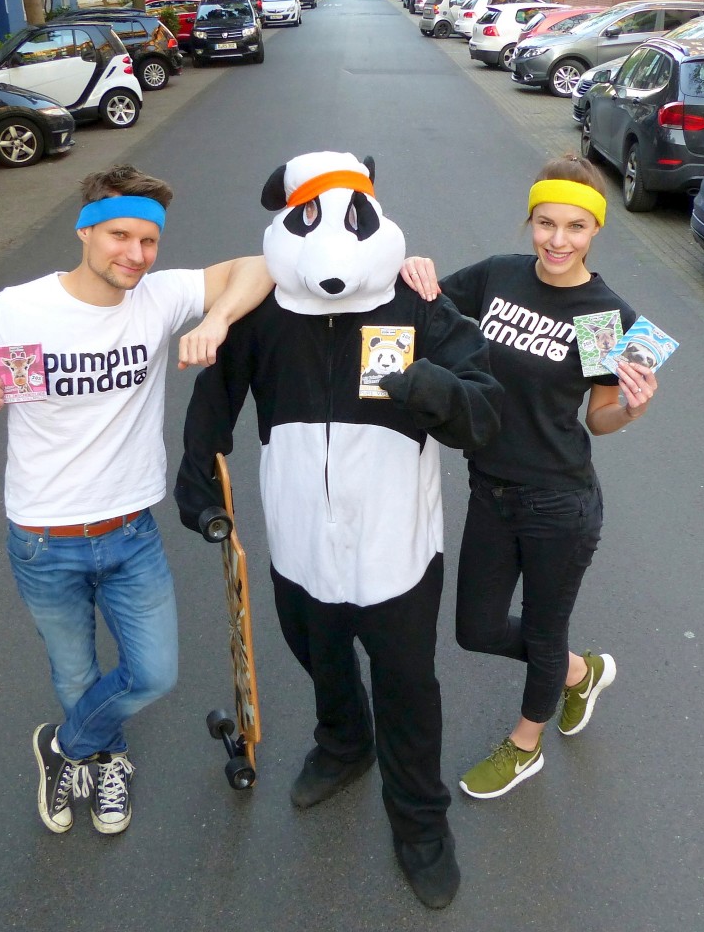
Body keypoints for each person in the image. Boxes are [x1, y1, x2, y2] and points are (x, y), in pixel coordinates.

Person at [175, 151, 502, 908]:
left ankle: (420, 824)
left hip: (397, 551)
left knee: (408, 690)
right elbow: (212, 403)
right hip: (300, 544)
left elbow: (484, 411)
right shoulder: (262, 316)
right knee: (318, 656)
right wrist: (199, 488)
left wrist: (429, 385)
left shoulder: (418, 306)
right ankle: (343, 744)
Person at [0, 164, 273, 837]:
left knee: (153, 674)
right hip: (43, 538)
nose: (135, 255)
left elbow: (259, 265)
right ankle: (105, 753)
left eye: (148, 241)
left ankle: (64, 746)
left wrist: (214, 318)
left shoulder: (156, 299)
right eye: (120, 236)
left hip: (130, 533)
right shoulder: (20, 310)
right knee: (75, 673)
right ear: (85, 232)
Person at [400, 153, 658, 800]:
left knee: (543, 631)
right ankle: (578, 672)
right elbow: (422, 310)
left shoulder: (606, 318)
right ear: (530, 222)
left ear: (596, 229)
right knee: (476, 629)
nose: (558, 240)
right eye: (546, 224)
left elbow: (599, 419)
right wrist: (410, 271)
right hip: (488, 486)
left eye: (575, 227)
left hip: (558, 501)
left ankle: (524, 745)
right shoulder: (498, 276)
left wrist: (631, 406)